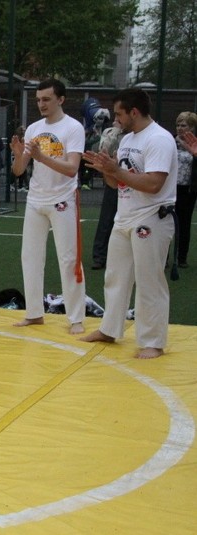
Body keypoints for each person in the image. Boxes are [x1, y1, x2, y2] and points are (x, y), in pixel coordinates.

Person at [81, 88, 177, 359]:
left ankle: (152, 341)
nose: (116, 119)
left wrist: (117, 170)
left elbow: (154, 183)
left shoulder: (159, 138)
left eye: (120, 113)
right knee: (116, 276)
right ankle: (110, 329)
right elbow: (118, 183)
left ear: (134, 112)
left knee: (149, 280)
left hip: (151, 216)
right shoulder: (127, 140)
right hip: (124, 216)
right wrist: (107, 171)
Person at [9, 78, 86, 334]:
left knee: (69, 258)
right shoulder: (33, 128)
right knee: (29, 257)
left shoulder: (73, 128)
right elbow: (19, 171)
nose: (41, 104)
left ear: (60, 99)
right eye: (38, 100)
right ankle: (34, 313)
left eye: (46, 99)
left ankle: (76, 318)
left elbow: (72, 167)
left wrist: (42, 157)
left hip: (63, 199)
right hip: (35, 200)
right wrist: (19, 155)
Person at [90, 121, 124, 270]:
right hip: (112, 177)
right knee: (107, 218)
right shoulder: (109, 132)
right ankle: (99, 256)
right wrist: (116, 132)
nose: (117, 119)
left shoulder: (137, 133)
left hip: (132, 179)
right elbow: (104, 149)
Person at [174, 111, 197, 268]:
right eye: (178, 125)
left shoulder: (195, 145)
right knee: (166, 223)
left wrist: (192, 152)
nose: (180, 128)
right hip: (170, 189)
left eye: (184, 125)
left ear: (192, 127)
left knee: (184, 223)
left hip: (187, 189)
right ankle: (164, 256)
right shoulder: (169, 141)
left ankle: (181, 258)